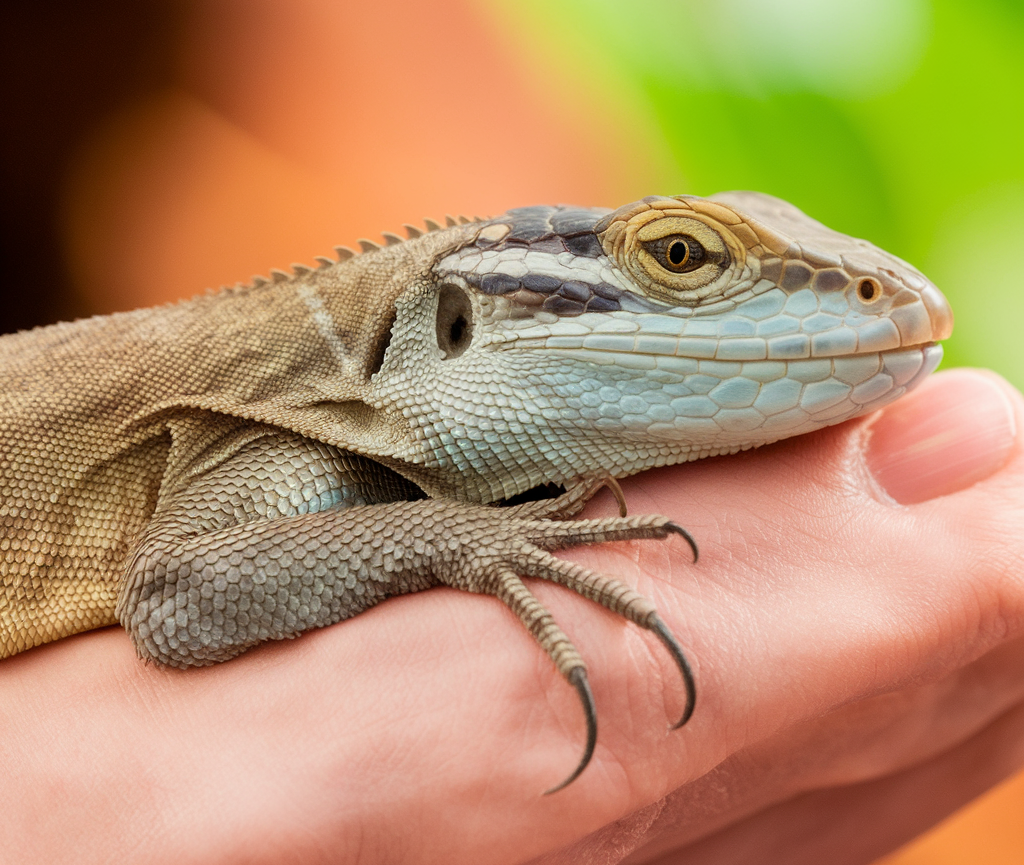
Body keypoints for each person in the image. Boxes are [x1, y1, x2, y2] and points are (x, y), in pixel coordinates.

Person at [2, 367, 1021, 864]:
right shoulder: (269, 409)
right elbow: (183, 597)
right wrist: (465, 539)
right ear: (455, 319)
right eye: (678, 260)